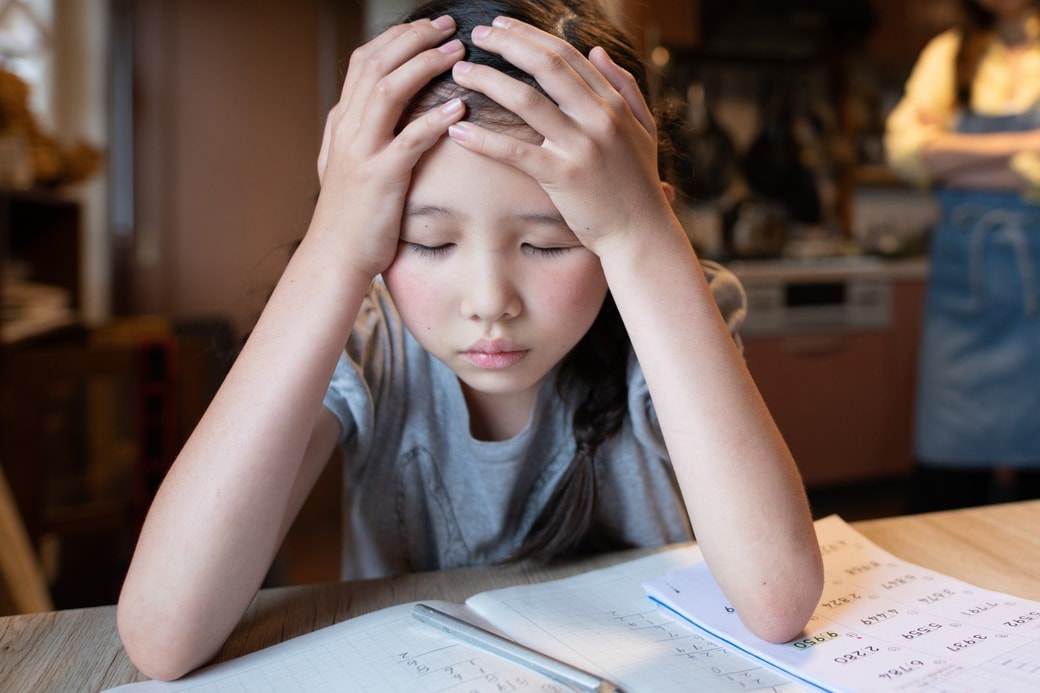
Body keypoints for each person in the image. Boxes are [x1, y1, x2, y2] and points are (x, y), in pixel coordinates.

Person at [116, 0, 823, 680]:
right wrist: (331, 251)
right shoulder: (369, 338)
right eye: (429, 241)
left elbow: (777, 598)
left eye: (546, 244)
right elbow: (162, 634)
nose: (490, 302)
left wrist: (644, 241)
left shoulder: (665, 312)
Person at [886, 0, 1040, 512]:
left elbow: (932, 157)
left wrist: (953, 160)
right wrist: (1025, 148)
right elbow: (905, 152)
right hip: (962, 301)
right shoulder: (947, 54)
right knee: (947, 469)